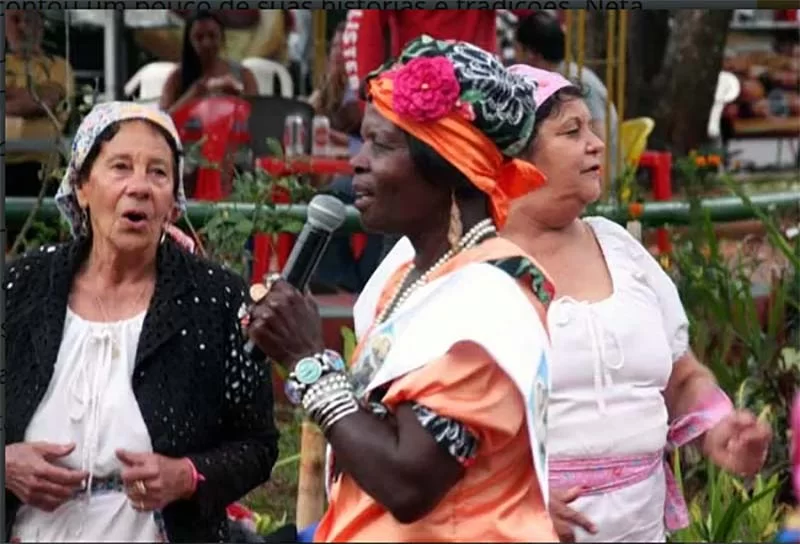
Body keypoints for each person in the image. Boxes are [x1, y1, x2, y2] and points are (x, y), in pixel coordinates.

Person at [246, 36, 558, 541]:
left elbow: (408, 481)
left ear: (449, 165)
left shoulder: (493, 298)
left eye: (383, 145)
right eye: (363, 141)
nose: (358, 161)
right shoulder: (408, 276)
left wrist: (308, 359)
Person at [503, 64, 773, 543]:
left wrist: (717, 429)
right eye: (572, 131)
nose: (596, 144)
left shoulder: (619, 248)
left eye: (591, 128)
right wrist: (507, 500)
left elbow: (682, 376)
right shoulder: (461, 261)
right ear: (513, 154)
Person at [4, 102, 279, 543]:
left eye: (158, 173)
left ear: (173, 201)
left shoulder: (216, 299)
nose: (140, 187)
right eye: (120, 167)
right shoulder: (21, 287)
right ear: (82, 186)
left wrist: (187, 476)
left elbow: (258, 445)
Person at [514, 11, 620, 185]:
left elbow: (600, 138)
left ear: (532, 54)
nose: (515, 56)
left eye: (517, 49)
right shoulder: (551, 79)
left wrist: (598, 186)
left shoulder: (576, 82)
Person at [5, 9, 73, 197]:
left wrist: (13, 94)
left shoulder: (58, 66)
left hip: (39, 167)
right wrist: (31, 93)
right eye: (15, 20)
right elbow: (37, 99)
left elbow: (44, 103)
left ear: (40, 25)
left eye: (29, 19)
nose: (23, 27)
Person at [159, 10, 258, 113]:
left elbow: (257, 115)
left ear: (221, 37)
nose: (206, 43)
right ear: (190, 41)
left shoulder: (244, 74)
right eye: (199, 37)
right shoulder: (177, 77)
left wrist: (238, 97)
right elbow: (162, 119)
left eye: (212, 36)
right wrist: (191, 95)